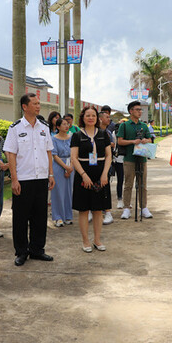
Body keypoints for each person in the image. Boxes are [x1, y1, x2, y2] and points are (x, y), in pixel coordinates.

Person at [3, 93, 55, 266]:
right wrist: (14, 179)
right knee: (20, 218)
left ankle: (37, 250)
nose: (38, 106)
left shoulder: (44, 127)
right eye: (34, 103)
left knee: (40, 217)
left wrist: (51, 174)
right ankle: (21, 252)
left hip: (41, 178)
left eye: (39, 103)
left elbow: (48, 152)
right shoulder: (15, 128)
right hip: (23, 180)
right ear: (25, 107)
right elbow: (10, 154)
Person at [71, 106, 112, 251]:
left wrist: (105, 174)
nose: (90, 118)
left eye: (93, 115)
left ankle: (97, 240)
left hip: (100, 175)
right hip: (83, 174)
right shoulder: (77, 136)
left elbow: (108, 156)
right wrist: (83, 175)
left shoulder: (103, 134)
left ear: (97, 118)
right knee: (83, 210)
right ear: (83, 117)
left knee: (98, 209)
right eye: (87, 115)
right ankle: (85, 241)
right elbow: (74, 158)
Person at [116, 101, 153, 219]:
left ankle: (143, 208)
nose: (140, 112)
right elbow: (120, 141)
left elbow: (150, 139)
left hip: (142, 158)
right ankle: (126, 208)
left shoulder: (143, 125)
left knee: (143, 184)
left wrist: (146, 140)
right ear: (131, 111)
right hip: (129, 159)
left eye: (140, 110)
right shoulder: (125, 125)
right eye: (137, 109)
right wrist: (133, 141)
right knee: (128, 184)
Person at [50, 117, 74, 227]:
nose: (66, 126)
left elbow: (74, 153)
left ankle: (68, 215)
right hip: (58, 165)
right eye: (63, 124)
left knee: (69, 191)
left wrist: (70, 167)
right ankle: (58, 217)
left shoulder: (72, 138)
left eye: (67, 124)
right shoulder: (53, 139)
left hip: (71, 164)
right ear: (58, 127)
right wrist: (65, 167)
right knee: (58, 191)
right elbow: (54, 155)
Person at [98, 110, 116, 225]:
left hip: (106, 163)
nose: (109, 119)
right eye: (106, 117)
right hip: (94, 164)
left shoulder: (108, 133)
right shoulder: (93, 132)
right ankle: (93, 211)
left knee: (105, 187)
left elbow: (112, 145)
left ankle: (107, 212)